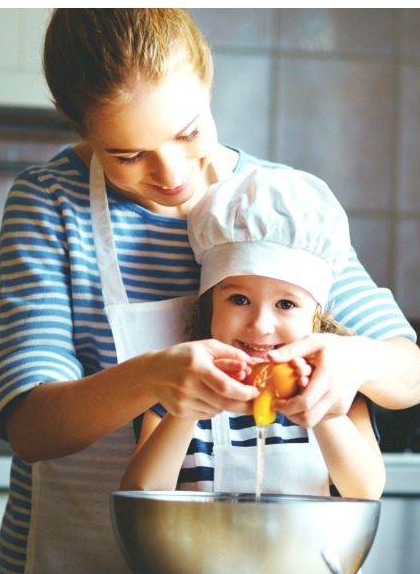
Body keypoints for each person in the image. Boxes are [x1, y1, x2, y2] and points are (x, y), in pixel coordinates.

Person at [0, 8, 420, 574]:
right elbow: (32, 429)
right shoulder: (49, 203)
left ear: (208, 80)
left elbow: (411, 375)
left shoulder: (278, 205)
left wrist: (355, 361)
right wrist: (154, 383)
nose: (170, 174)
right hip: (80, 569)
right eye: (126, 154)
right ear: (81, 129)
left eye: (188, 131)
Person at [119, 168, 385, 499]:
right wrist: (188, 410)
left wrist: (320, 409)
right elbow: (142, 493)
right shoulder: (177, 389)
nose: (260, 325)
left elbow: (365, 491)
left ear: (316, 317)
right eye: (239, 299)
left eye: (286, 304)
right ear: (210, 304)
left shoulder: (340, 391)